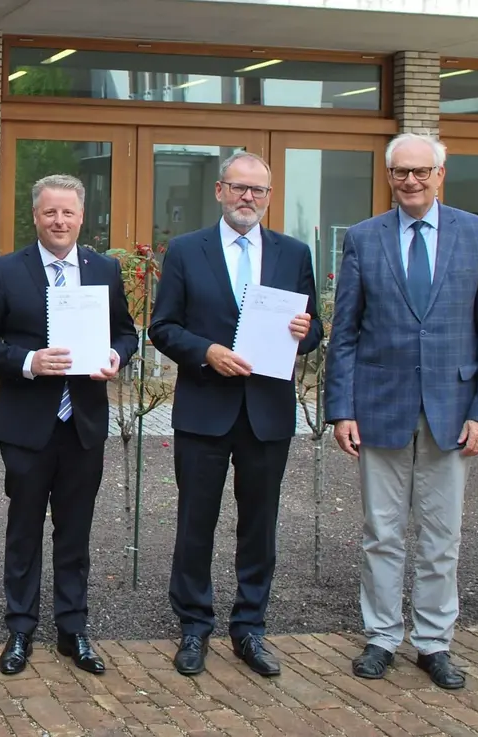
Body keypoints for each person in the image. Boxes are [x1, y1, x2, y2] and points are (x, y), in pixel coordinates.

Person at [325, 132, 478, 690]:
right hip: (379, 407)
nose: (411, 181)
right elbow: (347, 333)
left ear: (440, 174)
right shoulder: (363, 238)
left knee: (441, 534)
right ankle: (381, 636)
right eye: (401, 172)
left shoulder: (476, 235)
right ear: (389, 177)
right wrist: (340, 409)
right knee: (380, 532)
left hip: (453, 409)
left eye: (421, 172)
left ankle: (434, 642)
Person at [149, 152, 322, 677]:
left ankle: (250, 627)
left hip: (267, 412)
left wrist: (304, 333)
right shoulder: (185, 251)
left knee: (260, 526)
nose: (249, 197)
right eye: (239, 188)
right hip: (205, 408)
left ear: (268, 197)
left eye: (259, 191)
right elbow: (163, 327)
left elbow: (313, 329)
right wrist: (207, 353)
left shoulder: (294, 253)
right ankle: (194, 626)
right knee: (195, 523)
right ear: (221, 191)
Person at [0, 174, 138, 676]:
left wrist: (116, 355)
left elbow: (126, 332)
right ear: (35, 216)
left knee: (76, 531)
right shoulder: (7, 270)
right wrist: (27, 361)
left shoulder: (104, 269)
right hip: (27, 424)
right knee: (23, 530)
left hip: (83, 423)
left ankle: (73, 629)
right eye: (49, 213)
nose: (59, 221)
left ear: (82, 217)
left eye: (68, 212)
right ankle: (20, 630)